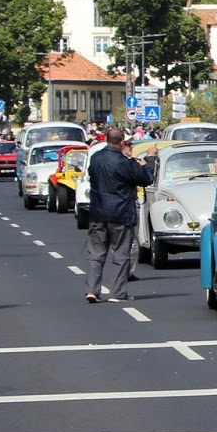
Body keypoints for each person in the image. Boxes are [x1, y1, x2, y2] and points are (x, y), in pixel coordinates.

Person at [84, 127, 157, 304]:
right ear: (122, 142)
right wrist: (150, 159)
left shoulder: (96, 158)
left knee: (96, 253)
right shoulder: (124, 162)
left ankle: (93, 290)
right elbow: (146, 178)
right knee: (121, 254)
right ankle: (118, 293)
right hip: (121, 213)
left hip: (98, 212)